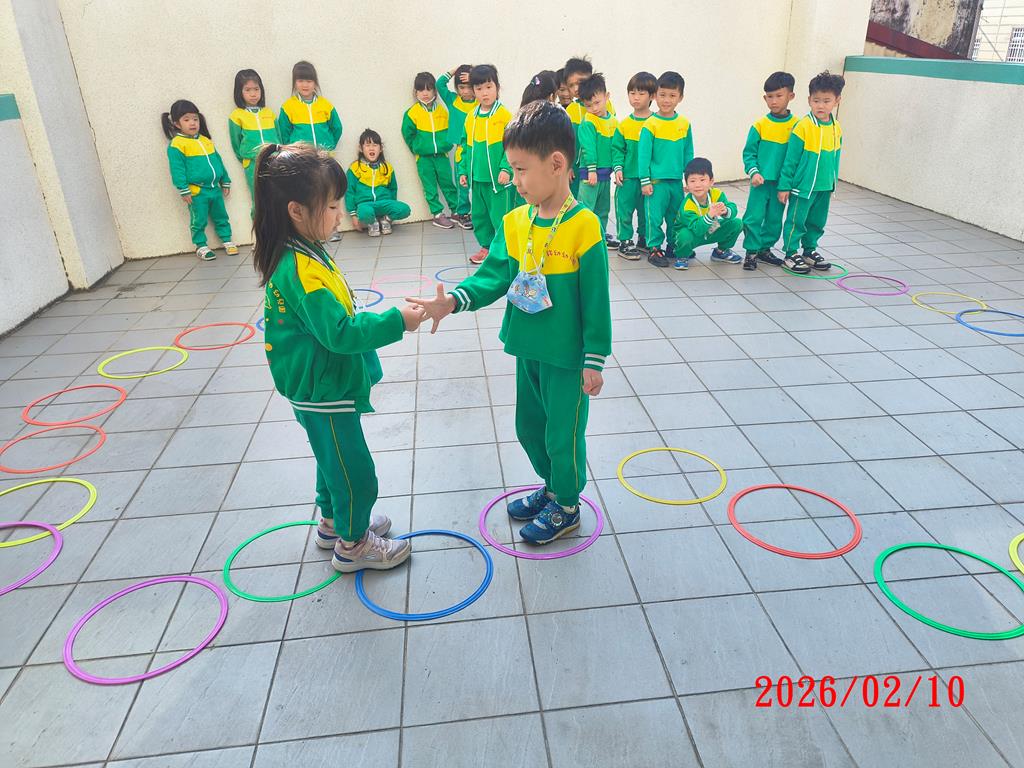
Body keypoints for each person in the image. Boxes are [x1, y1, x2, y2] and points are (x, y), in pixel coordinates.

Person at [409, 101, 612, 545]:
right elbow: (494, 276)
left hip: (568, 356)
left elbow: (597, 300)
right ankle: (552, 487)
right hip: (528, 347)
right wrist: (452, 302)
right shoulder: (516, 221)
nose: (513, 180)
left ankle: (567, 505)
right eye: (512, 170)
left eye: (520, 170)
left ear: (556, 164)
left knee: (562, 434)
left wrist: (594, 358)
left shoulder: (584, 226)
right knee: (529, 427)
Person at [251, 142, 425, 571]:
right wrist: (397, 321)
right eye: (331, 206)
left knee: (331, 460)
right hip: (323, 388)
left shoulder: (301, 252)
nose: (339, 214)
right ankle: (353, 543)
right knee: (355, 473)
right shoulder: (303, 270)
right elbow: (340, 334)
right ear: (296, 211)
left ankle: (333, 523)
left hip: (315, 385)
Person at [778, 70, 845, 274]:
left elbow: (835, 158)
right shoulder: (803, 127)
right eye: (816, 101)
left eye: (826, 101)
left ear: (837, 101)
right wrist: (784, 186)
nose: (821, 106)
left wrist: (833, 184)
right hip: (803, 187)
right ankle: (790, 253)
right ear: (809, 100)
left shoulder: (836, 128)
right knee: (796, 220)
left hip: (824, 186)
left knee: (817, 221)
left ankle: (809, 250)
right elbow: (790, 160)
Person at [161, 99, 237, 261]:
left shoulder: (205, 140)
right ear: (177, 124)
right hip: (196, 191)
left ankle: (227, 239)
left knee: (221, 215)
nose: (192, 123)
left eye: (195, 119)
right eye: (186, 119)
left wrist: (225, 179)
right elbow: (177, 169)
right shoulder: (176, 145)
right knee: (199, 219)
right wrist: (183, 189)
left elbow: (218, 161)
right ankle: (201, 245)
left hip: (214, 189)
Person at [279, 60, 344, 240]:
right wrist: (296, 152)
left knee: (328, 192)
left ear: (315, 82)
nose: (305, 85)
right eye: (300, 80)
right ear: (294, 83)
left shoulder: (325, 105)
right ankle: (308, 230)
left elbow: (337, 128)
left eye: (309, 80)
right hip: (302, 161)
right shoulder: (288, 107)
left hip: (324, 158)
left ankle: (331, 228)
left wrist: (328, 146)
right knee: (308, 195)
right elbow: (283, 134)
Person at [740, 71, 798, 270]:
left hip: (782, 184)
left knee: (774, 219)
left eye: (779, 96)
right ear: (764, 98)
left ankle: (764, 249)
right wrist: (754, 172)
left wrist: (788, 183)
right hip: (760, 183)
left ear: (791, 96)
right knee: (753, 217)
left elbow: (797, 157)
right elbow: (749, 153)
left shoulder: (797, 126)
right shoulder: (760, 126)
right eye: (769, 97)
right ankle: (751, 252)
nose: (773, 101)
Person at [457, 64, 514, 264]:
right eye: (479, 88)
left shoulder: (504, 115)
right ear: (473, 91)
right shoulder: (470, 117)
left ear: (497, 87)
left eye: (489, 87)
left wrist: (506, 168)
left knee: (500, 216)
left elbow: (512, 146)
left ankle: (503, 250)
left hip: (497, 179)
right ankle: (486, 247)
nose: (484, 93)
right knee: (480, 216)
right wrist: (463, 171)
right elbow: (464, 147)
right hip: (477, 178)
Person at [638, 71, 693, 267]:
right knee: (654, 217)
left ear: (680, 97)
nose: (666, 100)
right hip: (655, 182)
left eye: (672, 95)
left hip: (676, 181)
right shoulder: (650, 124)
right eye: (662, 95)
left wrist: (690, 179)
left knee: (675, 216)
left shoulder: (684, 124)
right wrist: (645, 180)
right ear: (655, 95)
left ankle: (673, 245)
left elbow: (688, 153)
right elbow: (643, 156)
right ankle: (654, 248)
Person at [402, 72, 458, 229]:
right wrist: (417, 148)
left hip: (442, 156)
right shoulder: (412, 113)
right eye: (421, 90)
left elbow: (450, 130)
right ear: (416, 92)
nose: (425, 93)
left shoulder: (442, 111)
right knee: (430, 187)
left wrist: (446, 145)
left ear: (434, 91)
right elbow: (408, 134)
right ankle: (437, 214)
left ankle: (456, 211)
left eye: (428, 89)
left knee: (448, 184)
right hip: (424, 159)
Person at [612, 71, 657, 259]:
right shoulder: (624, 125)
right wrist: (618, 168)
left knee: (647, 211)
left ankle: (644, 239)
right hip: (628, 178)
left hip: (649, 179)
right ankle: (625, 241)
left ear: (652, 96)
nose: (636, 97)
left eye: (641, 93)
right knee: (624, 210)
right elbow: (617, 150)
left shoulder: (656, 123)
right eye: (632, 93)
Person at [670, 157, 743, 270]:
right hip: (693, 234)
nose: (697, 185)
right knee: (684, 235)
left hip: (710, 231)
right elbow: (697, 229)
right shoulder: (687, 205)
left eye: (702, 180)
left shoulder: (716, 194)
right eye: (692, 181)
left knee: (737, 223)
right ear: (687, 185)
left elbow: (732, 207)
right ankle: (682, 256)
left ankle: (720, 251)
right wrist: (710, 215)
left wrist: (725, 210)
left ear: (711, 181)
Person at [228, 69, 280, 209]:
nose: (253, 94)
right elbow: (236, 142)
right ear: (239, 92)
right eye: (248, 90)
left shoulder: (269, 113)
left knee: (277, 195)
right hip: (253, 164)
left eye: (256, 89)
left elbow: (278, 136)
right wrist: (247, 157)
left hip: (274, 160)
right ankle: (259, 223)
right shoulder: (237, 115)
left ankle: (278, 223)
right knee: (258, 198)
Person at [577, 73, 618, 246]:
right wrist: (591, 170)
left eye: (597, 102)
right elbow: (588, 148)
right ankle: (581, 239)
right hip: (590, 174)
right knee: (586, 208)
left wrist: (618, 168)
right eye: (588, 105)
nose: (593, 108)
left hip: (605, 174)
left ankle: (598, 237)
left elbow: (617, 147)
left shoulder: (613, 121)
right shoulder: (588, 122)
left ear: (607, 96)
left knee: (603, 209)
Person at [345, 129, 411, 237]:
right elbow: (349, 192)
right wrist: (353, 215)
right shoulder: (355, 168)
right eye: (367, 145)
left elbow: (393, 188)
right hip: (365, 204)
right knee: (364, 212)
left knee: (404, 209)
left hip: (384, 203)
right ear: (361, 148)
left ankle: (386, 220)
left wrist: (392, 205)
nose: (371, 148)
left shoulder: (387, 167)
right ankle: (372, 223)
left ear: (380, 149)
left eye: (375, 145)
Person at [436, 65, 476, 230]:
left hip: (479, 148)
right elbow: (439, 84)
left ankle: (480, 213)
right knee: (463, 184)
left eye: (469, 86)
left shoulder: (481, 102)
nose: (465, 91)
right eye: (461, 87)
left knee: (479, 183)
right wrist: (454, 71)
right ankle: (463, 214)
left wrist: (474, 74)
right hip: (461, 150)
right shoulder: (453, 101)